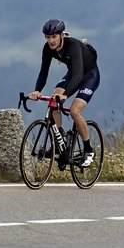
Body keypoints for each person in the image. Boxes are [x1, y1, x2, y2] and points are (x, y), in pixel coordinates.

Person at [27, 18, 99, 167]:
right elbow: (43, 72)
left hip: (89, 76)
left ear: (61, 35)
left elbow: (79, 75)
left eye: (54, 37)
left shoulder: (72, 45)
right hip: (72, 74)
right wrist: (37, 90)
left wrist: (65, 94)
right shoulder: (47, 49)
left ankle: (88, 150)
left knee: (74, 111)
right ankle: (60, 141)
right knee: (54, 101)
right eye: (48, 37)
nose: (51, 41)